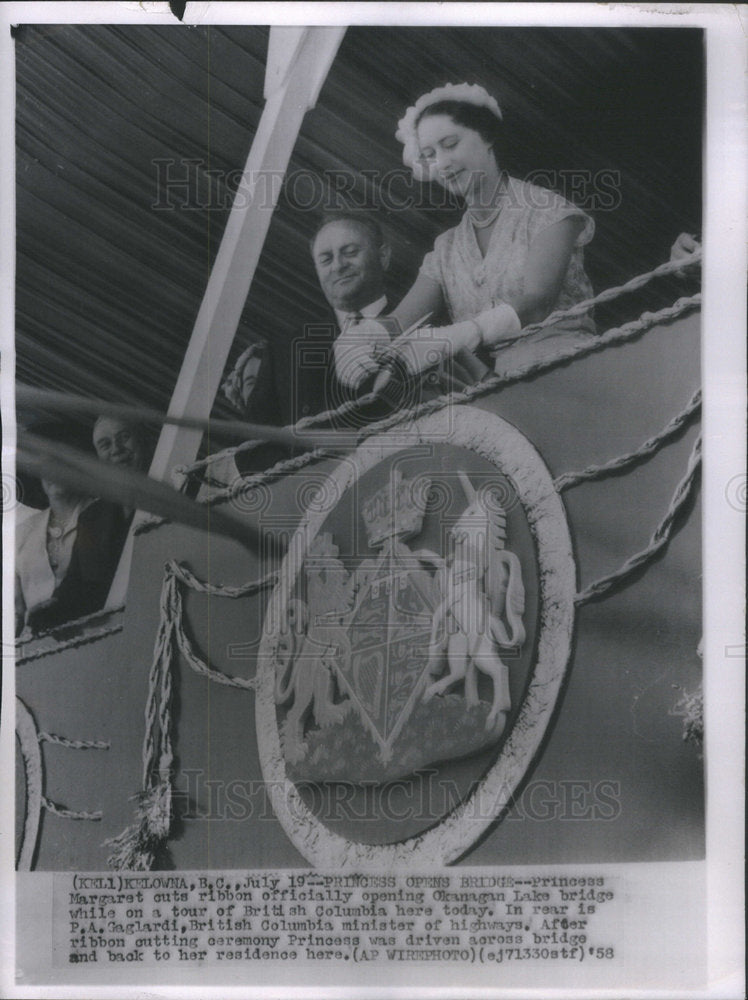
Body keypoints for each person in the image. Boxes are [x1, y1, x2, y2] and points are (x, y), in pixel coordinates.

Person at [350, 83, 597, 388]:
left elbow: (537, 303)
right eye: (429, 154)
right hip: (494, 391)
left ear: (487, 137)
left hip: (569, 371)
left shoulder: (547, 211)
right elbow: (400, 322)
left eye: (450, 144)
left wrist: (470, 332)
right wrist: (365, 337)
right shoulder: (447, 249)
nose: (442, 163)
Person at [220, 211, 396, 471]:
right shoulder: (284, 351)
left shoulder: (425, 324)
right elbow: (252, 450)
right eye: (326, 259)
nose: (338, 266)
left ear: (383, 256)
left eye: (350, 252)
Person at [15, 421, 130, 636]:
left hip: (100, 635)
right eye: (44, 464)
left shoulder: (105, 515)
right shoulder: (21, 533)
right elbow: (14, 610)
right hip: (35, 647)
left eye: (61, 462)